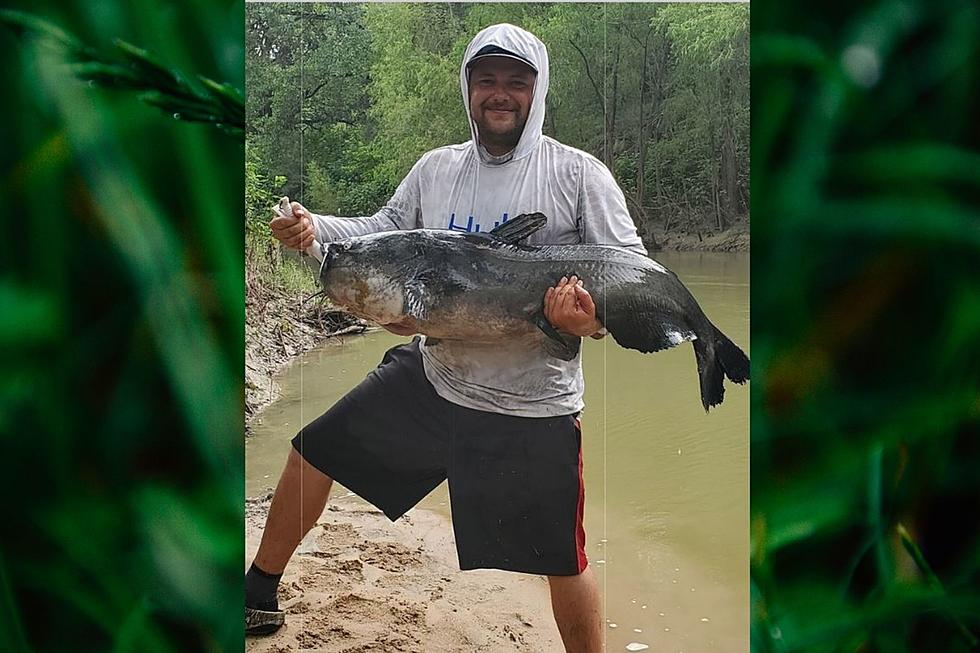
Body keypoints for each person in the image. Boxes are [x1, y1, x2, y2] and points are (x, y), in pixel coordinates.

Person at [246, 23, 646, 653]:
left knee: (562, 561)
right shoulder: (437, 170)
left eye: (516, 82)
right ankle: (256, 593)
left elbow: (630, 275)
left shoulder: (577, 176)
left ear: (537, 92)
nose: (500, 94)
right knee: (314, 451)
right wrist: (311, 226)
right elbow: (382, 229)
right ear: (467, 87)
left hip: (530, 403)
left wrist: (588, 322)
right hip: (437, 375)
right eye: (486, 80)